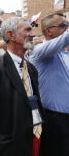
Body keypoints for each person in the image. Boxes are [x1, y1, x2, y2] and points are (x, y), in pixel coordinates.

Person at [0, 17, 44, 156]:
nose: (32, 34)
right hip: (9, 147)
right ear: (10, 35)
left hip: (34, 140)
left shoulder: (31, 69)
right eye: (27, 30)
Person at [29, 13, 69, 156]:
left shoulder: (64, 54)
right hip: (55, 119)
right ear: (48, 31)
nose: (67, 27)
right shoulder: (40, 50)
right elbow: (66, 38)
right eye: (63, 25)